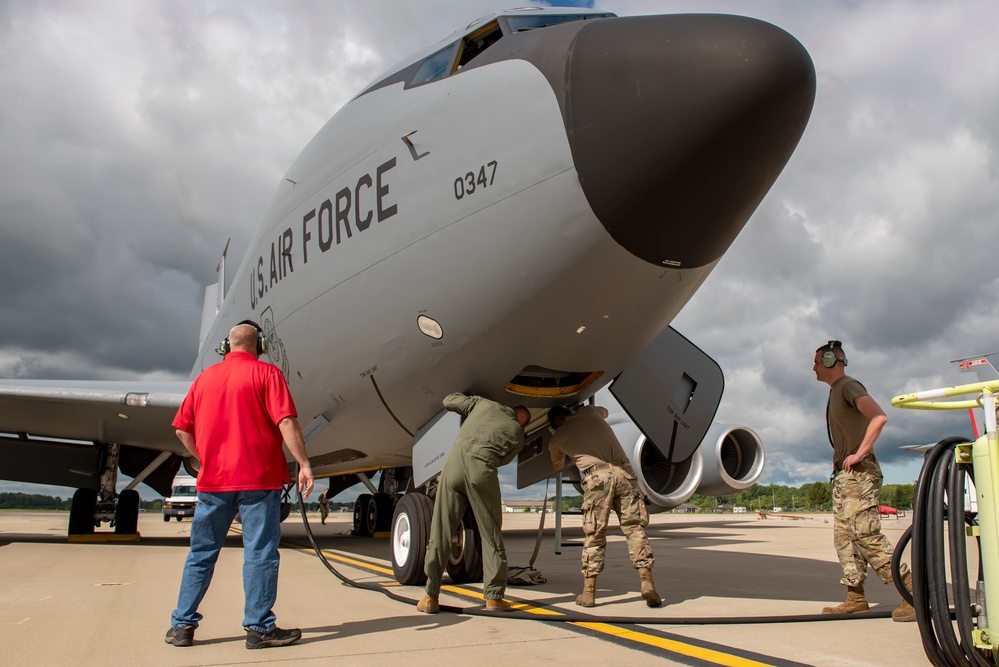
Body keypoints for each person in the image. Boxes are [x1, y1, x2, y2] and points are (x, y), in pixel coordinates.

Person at [165, 320, 315, 649]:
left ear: (226, 346)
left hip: (213, 483)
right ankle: (259, 628)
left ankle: (182, 626)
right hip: (259, 481)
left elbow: (181, 431)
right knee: (260, 554)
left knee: (201, 554)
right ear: (259, 345)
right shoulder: (267, 374)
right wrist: (303, 464)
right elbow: (286, 421)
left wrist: (206, 458)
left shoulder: (204, 379)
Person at [813, 340, 914, 622]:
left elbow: (879, 416)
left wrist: (861, 452)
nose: (814, 368)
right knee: (845, 537)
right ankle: (855, 597)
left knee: (866, 535)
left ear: (832, 361)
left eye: (818, 362)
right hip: (845, 477)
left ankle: (912, 592)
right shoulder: (836, 391)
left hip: (859, 474)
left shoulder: (848, 385)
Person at [417, 393, 531, 614]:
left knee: (441, 531)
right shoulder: (517, 433)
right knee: (490, 535)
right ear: (521, 421)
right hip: (481, 471)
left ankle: (430, 596)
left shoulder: (485, 404)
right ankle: (494, 598)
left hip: (452, 468)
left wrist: (474, 399)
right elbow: (504, 459)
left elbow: (448, 401)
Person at [547, 405, 662, 608]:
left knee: (595, 534)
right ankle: (647, 583)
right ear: (567, 413)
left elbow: (557, 466)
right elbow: (605, 411)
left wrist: (563, 447)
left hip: (597, 477)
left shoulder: (556, 439)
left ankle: (589, 593)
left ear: (555, 423)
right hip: (624, 472)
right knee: (635, 529)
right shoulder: (589, 412)